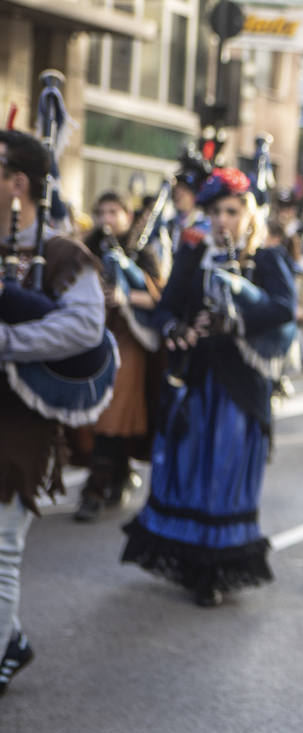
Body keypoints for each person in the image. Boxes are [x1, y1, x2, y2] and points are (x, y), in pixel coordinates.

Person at [120, 168, 297, 607]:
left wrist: (236, 315)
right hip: (193, 382)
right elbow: (165, 309)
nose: (222, 219)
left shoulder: (267, 259)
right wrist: (177, 328)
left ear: (248, 213)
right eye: (216, 211)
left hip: (239, 390)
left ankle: (214, 570)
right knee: (185, 470)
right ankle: (188, 559)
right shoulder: (192, 253)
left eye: (232, 211)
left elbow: (284, 311)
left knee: (224, 473)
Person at [0, 129, 107, 697]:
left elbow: (83, 329)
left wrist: (5, 339)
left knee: (1, 548)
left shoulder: (65, 254)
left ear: (18, 184)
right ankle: (11, 639)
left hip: (20, 423)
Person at [74, 192, 165, 521]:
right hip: (94, 334)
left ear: (127, 215)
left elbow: (160, 298)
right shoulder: (88, 247)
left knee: (115, 413)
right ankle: (120, 472)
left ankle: (94, 490)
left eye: (114, 211)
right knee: (92, 413)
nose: (107, 218)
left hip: (129, 336)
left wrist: (125, 296)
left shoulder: (143, 251)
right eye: (101, 211)